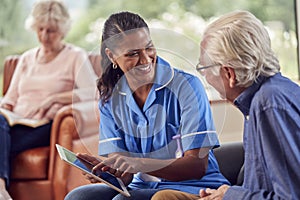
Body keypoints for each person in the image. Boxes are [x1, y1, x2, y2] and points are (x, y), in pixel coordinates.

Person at [64, 11, 229, 200]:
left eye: (149, 48)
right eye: (132, 54)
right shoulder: (110, 98)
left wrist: (138, 163)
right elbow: (125, 177)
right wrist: (106, 170)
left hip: (194, 186)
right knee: (78, 197)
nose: (145, 60)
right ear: (112, 56)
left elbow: (197, 167)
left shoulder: (188, 87)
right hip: (140, 186)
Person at [151, 10, 300, 200]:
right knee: (166, 197)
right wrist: (225, 193)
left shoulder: (268, 104)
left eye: (203, 68)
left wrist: (231, 195)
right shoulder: (267, 97)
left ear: (229, 74)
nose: (203, 76)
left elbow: (291, 197)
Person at [0, 0, 97, 199]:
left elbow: (93, 93)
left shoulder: (74, 56)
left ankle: (1, 189)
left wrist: (56, 98)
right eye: (40, 29)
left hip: (45, 126)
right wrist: (5, 111)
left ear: (62, 30)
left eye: (51, 30)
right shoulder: (26, 58)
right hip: (14, 123)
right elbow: (9, 99)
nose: (44, 36)